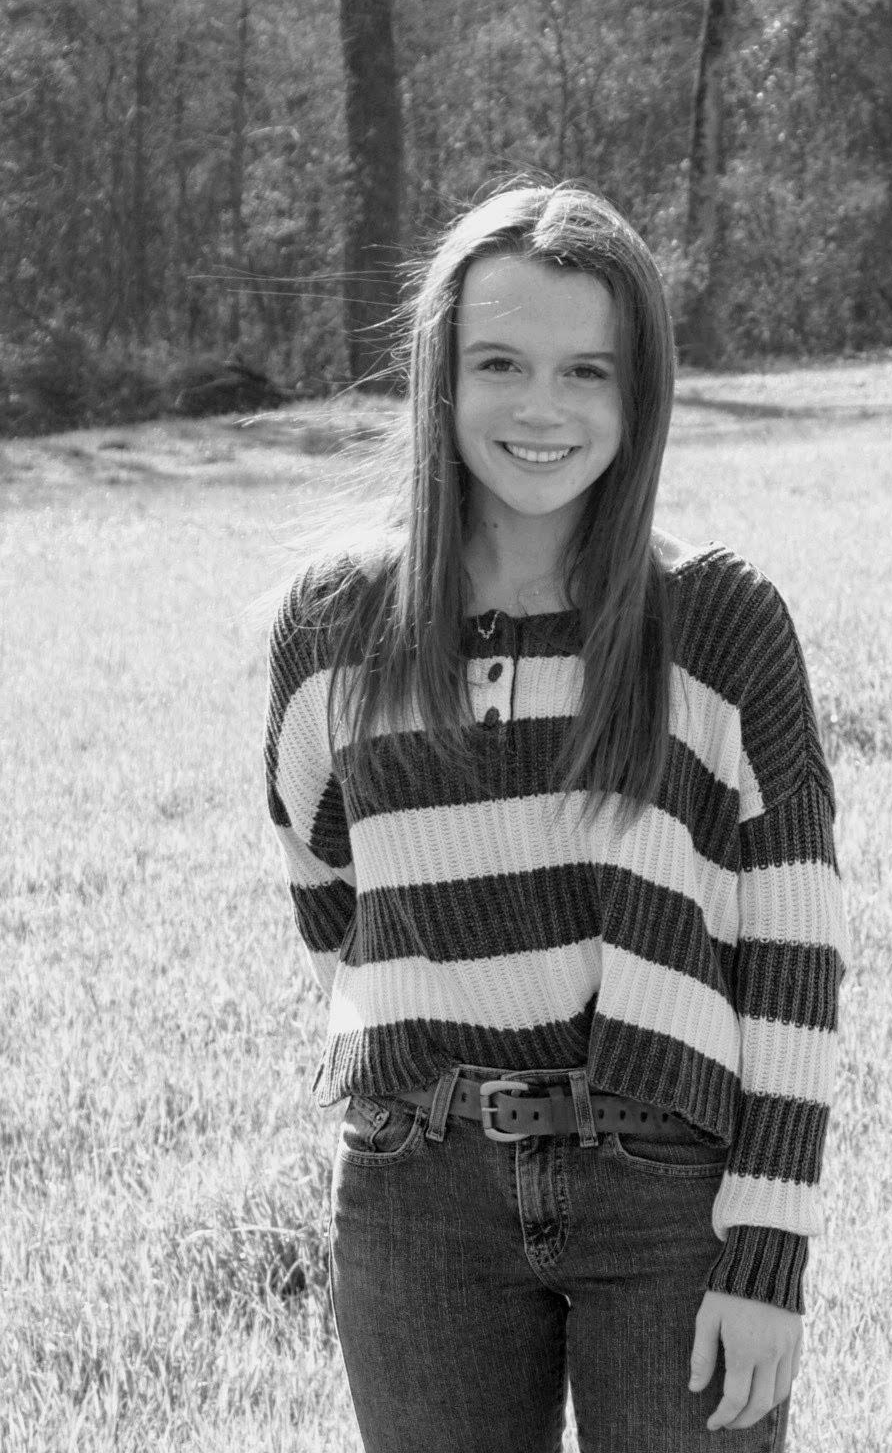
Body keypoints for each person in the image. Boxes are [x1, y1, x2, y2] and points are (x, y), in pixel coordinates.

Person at [263, 183, 848, 1452]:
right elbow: (323, 881)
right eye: (500, 363)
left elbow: (793, 953)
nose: (543, 407)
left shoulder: (719, 622)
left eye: (589, 369)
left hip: (669, 1190)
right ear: (440, 377)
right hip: (418, 1194)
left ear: (641, 394)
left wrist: (769, 1244)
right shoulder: (333, 625)